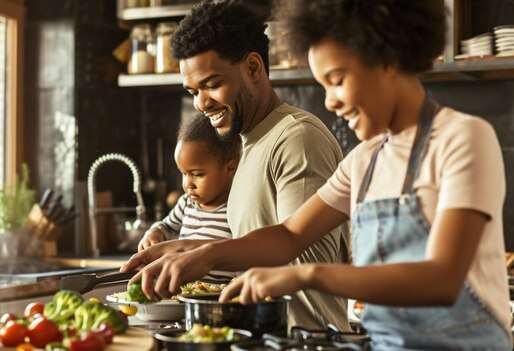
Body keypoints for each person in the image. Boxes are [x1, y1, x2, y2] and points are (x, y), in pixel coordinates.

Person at [128, 1, 513, 349]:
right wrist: (194, 251)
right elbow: (289, 235)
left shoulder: (462, 138)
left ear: (388, 59)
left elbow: (442, 280)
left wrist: (307, 276)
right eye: (323, 84)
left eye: (338, 79)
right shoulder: (364, 161)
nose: (329, 101)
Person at [121, 0, 351, 331]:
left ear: (253, 68)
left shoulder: (296, 137)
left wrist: (204, 256)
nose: (201, 103)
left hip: (305, 338)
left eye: (212, 84)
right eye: (193, 91)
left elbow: (293, 246)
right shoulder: (247, 144)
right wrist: (182, 250)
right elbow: (260, 244)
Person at [137, 113, 240, 282]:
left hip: (220, 299)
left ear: (229, 169)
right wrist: (155, 232)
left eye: (197, 174)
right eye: (184, 174)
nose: (188, 184)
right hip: (182, 294)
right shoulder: (186, 203)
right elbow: (167, 226)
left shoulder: (237, 208)